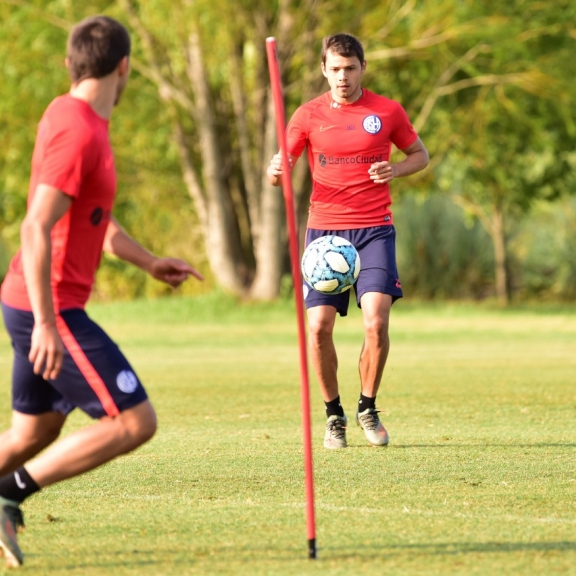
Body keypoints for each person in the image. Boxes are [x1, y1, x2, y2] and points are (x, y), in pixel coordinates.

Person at [0, 16, 203, 567]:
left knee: (33, 432)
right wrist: (46, 322)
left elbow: (93, 219)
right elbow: (34, 227)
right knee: (134, 422)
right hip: (49, 304)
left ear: (71, 64)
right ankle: (9, 495)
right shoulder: (78, 130)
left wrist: (148, 261)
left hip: (31, 299)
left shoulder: (75, 116)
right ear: (125, 67)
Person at [267, 33, 429, 450]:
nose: (342, 77)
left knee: (376, 320)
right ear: (324, 69)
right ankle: (333, 415)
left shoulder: (386, 111)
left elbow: (420, 156)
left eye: (350, 68)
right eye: (335, 69)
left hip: (374, 229)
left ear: (362, 68)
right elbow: (282, 165)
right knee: (318, 328)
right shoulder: (306, 115)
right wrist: (275, 170)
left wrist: (396, 169)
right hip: (324, 235)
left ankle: (367, 408)